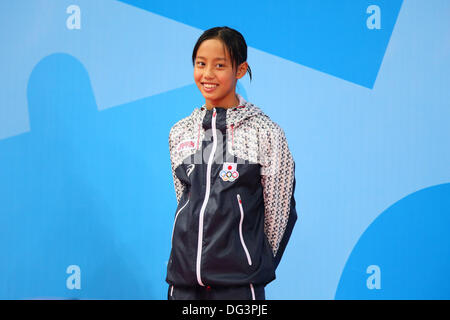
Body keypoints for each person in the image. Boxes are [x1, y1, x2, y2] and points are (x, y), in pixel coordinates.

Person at [166, 26, 297, 300]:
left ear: (240, 69)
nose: (208, 74)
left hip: (239, 287)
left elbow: (280, 212)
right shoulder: (180, 131)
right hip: (182, 283)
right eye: (201, 64)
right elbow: (184, 201)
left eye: (220, 65)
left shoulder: (266, 133)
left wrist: (250, 263)